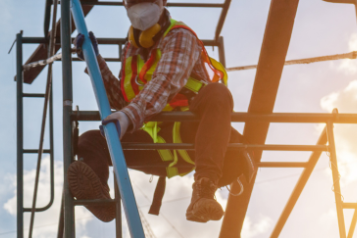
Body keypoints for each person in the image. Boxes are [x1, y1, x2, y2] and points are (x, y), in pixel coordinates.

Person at [69, 0, 255, 224]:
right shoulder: (130, 50)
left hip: (194, 133)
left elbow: (165, 82)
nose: (141, 5)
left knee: (217, 93)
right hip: (156, 144)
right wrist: (95, 62)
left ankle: (204, 189)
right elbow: (123, 100)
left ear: (163, 2)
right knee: (91, 141)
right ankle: (101, 201)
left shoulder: (179, 35)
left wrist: (128, 117)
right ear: (124, 4)